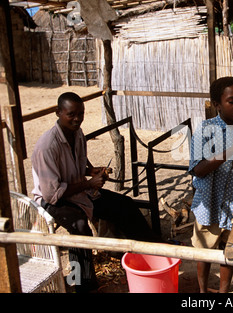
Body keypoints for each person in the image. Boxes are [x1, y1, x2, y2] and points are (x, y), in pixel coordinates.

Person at [31, 92, 160, 293]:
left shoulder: (78, 134)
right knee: (79, 228)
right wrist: (89, 183)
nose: (77, 119)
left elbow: (76, 167)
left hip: (77, 191)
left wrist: (91, 171)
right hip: (53, 200)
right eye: (71, 114)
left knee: (124, 205)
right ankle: (83, 286)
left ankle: (153, 252)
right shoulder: (47, 146)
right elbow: (51, 193)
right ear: (58, 113)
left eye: (80, 114)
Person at [189, 76, 233, 293]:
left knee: (230, 251)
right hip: (209, 204)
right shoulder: (205, 130)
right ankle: (203, 292)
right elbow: (198, 168)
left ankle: (224, 293)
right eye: (231, 101)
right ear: (217, 105)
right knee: (204, 252)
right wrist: (230, 151)